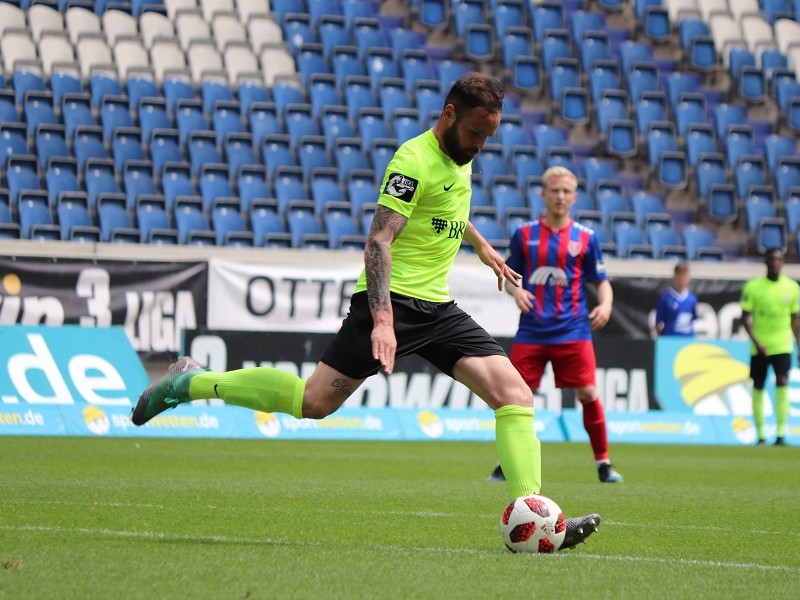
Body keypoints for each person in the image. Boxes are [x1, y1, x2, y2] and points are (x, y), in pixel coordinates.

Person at [131, 73, 600, 549]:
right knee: (314, 402)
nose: (480, 145)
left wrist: (481, 247)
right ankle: (188, 382)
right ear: (449, 114)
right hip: (391, 302)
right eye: (476, 134)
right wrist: (382, 321)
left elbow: (445, 207)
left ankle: (539, 520)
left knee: (514, 395)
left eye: (489, 137)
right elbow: (379, 240)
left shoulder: (461, 153)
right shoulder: (413, 160)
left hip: (437, 308)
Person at [488, 166, 623, 485]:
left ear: (574, 197)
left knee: (588, 392)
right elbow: (510, 278)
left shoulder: (587, 238)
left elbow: (602, 282)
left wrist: (606, 304)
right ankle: (506, 463)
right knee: (514, 396)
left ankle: (603, 463)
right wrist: (516, 290)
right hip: (532, 330)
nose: (560, 197)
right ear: (543, 194)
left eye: (566, 192)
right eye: (555, 190)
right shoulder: (524, 234)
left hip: (573, 330)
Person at [739, 248, 800, 446]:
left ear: (783, 262)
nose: (775, 262)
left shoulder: (792, 288)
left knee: (782, 382)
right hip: (760, 346)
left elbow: (795, 320)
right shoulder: (753, 287)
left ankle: (781, 434)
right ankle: (760, 435)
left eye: (779, 259)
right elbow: (744, 318)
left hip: (783, 345)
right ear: (766, 262)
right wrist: (756, 341)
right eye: (772, 259)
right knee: (758, 385)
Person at [655, 262, 698, 337]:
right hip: (671, 341)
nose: (683, 278)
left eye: (685, 275)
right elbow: (658, 324)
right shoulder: (665, 298)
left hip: (687, 341)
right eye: (680, 275)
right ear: (675, 276)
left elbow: (693, 321)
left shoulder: (692, 299)